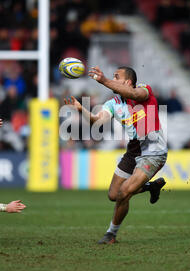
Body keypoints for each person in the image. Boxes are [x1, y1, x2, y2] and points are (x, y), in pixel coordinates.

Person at [64, 66, 168, 244]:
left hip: (153, 149)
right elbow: (98, 120)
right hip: (133, 150)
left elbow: (136, 95)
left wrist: (103, 80)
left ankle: (111, 234)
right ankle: (151, 187)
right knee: (113, 195)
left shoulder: (144, 90)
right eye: (111, 77)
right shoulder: (113, 103)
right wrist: (81, 109)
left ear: (128, 82)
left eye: (116, 77)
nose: (112, 79)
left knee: (125, 192)